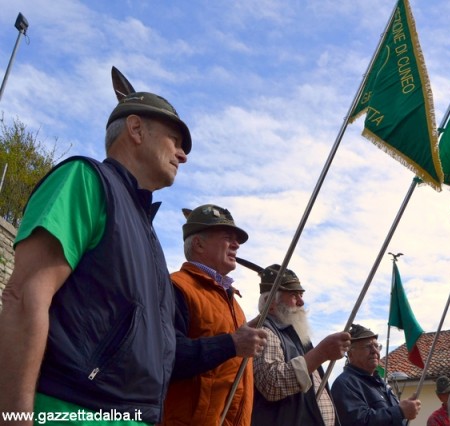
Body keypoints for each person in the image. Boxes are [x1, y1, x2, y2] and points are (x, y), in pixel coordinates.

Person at [0, 89, 192, 424]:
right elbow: (23, 297)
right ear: (135, 129)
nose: (182, 155)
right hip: (73, 409)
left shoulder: (148, 234)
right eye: (175, 140)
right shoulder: (86, 180)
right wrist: (14, 416)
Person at [161, 204, 268, 426]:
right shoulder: (175, 287)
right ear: (198, 244)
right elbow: (166, 357)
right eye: (227, 237)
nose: (236, 245)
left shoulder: (234, 303)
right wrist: (230, 344)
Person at [251, 264, 351, 425]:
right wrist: (321, 353)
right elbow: (271, 384)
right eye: (294, 295)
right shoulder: (265, 332)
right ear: (270, 303)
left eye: (301, 294)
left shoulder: (295, 336)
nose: (301, 302)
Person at [331, 324, 421, 425]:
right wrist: (399, 411)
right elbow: (360, 422)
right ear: (351, 354)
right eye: (368, 346)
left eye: (377, 346)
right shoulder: (345, 384)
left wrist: (404, 409)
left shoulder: (380, 383)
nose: (374, 351)